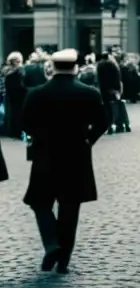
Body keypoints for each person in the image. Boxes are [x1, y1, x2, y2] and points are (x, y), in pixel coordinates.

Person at [21, 48, 108, 274]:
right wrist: (89, 139)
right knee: (70, 208)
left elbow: (24, 123)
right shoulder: (89, 93)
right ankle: (63, 262)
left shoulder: (37, 93)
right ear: (75, 68)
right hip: (76, 155)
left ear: (53, 68)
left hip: (45, 155)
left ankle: (51, 243)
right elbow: (103, 122)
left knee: (40, 203)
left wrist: (39, 135)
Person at [95, 52, 124, 134]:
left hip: (104, 88)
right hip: (113, 89)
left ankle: (109, 125)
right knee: (115, 106)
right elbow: (118, 77)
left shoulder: (100, 65)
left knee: (106, 107)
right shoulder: (113, 64)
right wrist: (118, 88)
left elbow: (98, 78)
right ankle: (117, 124)